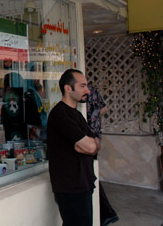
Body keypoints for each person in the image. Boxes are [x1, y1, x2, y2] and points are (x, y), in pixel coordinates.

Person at [47, 69, 100, 226]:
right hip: (70, 187)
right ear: (68, 88)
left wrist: (90, 145)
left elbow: (96, 143)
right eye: (82, 85)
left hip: (83, 184)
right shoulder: (60, 114)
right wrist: (90, 145)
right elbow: (91, 146)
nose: (87, 90)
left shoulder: (76, 114)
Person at [86, 83, 119, 226]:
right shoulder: (91, 90)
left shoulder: (84, 91)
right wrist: (96, 118)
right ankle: (106, 213)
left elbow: (103, 107)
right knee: (91, 174)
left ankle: (106, 213)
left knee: (90, 175)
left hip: (88, 137)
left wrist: (92, 120)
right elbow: (104, 107)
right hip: (93, 135)